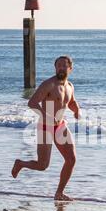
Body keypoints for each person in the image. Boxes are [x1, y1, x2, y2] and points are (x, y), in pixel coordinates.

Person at [12, 56, 80, 201]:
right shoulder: (49, 84)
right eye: (58, 65)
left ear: (70, 68)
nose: (61, 68)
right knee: (43, 165)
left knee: (71, 159)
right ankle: (20, 163)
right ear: (55, 68)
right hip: (45, 127)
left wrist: (77, 111)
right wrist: (47, 116)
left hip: (60, 126)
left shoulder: (70, 86)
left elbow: (71, 102)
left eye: (64, 65)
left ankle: (59, 193)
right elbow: (32, 103)